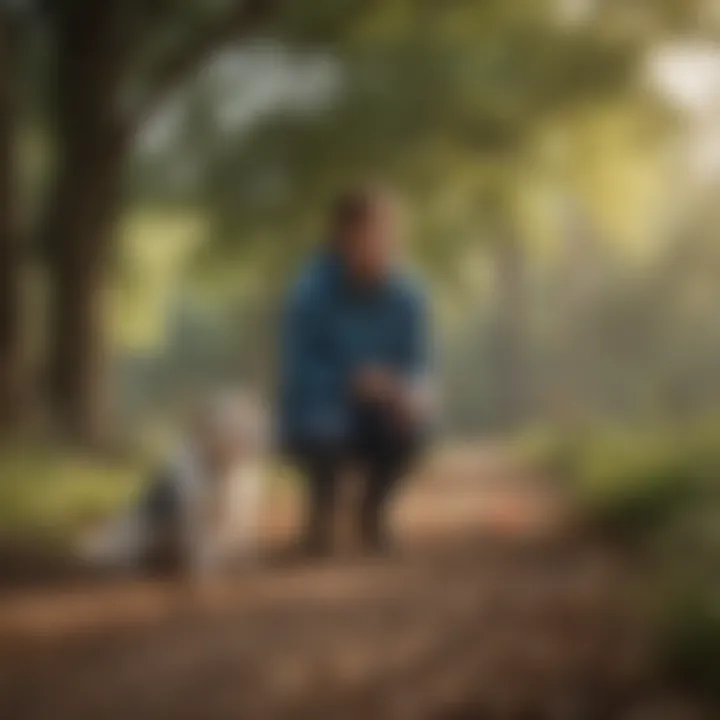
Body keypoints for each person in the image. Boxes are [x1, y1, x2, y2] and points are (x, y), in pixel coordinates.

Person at [279, 188, 433, 556]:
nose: (377, 243)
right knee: (321, 428)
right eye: (367, 233)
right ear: (341, 237)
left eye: (385, 232)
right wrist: (350, 380)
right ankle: (323, 513)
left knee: (414, 419)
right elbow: (298, 369)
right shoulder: (309, 292)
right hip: (323, 407)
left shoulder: (409, 295)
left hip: (383, 408)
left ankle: (373, 513)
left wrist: (411, 392)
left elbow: (421, 365)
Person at [78, 392, 267, 578]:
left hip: (189, 545)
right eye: (227, 432)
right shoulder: (184, 467)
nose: (235, 442)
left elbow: (236, 519)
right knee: (122, 546)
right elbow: (192, 519)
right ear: (208, 432)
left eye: (242, 434)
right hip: (151, 529)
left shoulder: (246, 473)